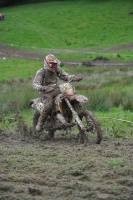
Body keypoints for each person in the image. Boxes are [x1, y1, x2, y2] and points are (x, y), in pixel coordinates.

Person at [33, 54, 83, 132]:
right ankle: (40, 123)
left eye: (55, 64)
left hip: (55, 90)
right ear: (46, 63)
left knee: (69, 96)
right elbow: (35, 84)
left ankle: (72, 114)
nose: (53, 66)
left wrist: (74, 77)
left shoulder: (57, 69)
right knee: (49, 104)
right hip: (45, 93)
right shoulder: (41, 72)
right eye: (51, 64)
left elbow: (65, 76)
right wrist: (43, 88)